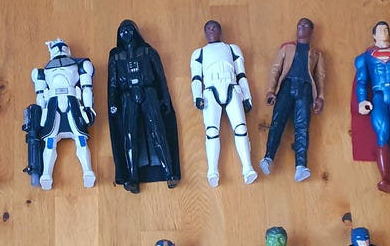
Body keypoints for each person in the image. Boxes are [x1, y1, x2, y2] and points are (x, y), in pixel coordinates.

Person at [108, 20, 180, 194]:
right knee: (129, 135)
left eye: (129, 29)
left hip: (148, 93)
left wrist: (165, 98)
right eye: (122, 30)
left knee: (157, 131)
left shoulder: (148, 51)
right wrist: (112, 103)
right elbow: (113, 84)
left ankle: (169, 172)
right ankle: (132, 177)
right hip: (127, 96)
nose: (126, 33)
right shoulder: (116, 57)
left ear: (136, 31)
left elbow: (161, 78)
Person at [190, 20, 257, 187]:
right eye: (208, 28)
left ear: (220, 31)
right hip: (210, 91)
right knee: (211, 131)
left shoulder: (232, 49)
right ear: (205, 33)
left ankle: (248, 168)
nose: (212, 30)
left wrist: (247, 97)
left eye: (215, 27)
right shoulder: (199, 53)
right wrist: (197, 96)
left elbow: (241, 74)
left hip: (232, 88)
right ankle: (212, 171)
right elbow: (196, 78)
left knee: (241, 129)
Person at [260, 18, 325, 182]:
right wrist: (271, 90)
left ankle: (301, 166)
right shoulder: (287, 48)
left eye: (306, 25)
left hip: (305, 89)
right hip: (286, 87)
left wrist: (320, 97)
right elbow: (276, 69)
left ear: (311, 31)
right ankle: (268, 157)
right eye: (299, 25)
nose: (302, 27)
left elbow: (320, 76)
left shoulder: (316, 53)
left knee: (302, 126)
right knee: (277, 121)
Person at [30, 38, 96, 190]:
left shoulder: (80, 65)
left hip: (72, 104)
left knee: (81, 140)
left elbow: (87, 88)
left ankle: (88, 171)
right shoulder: (41, 72)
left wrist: (88, 108)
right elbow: (40, 96)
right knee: (50, 142)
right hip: (54, 107)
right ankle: (46, 174)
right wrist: (41, 115)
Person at [354, 21, 390, 193]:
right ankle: (386, 178)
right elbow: (361, 81)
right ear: (374, 35)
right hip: (379, 95)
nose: (384, 32)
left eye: (386, 29)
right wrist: (362, 100)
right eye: (380, 30)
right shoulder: (366, 57)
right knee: (382, 131)